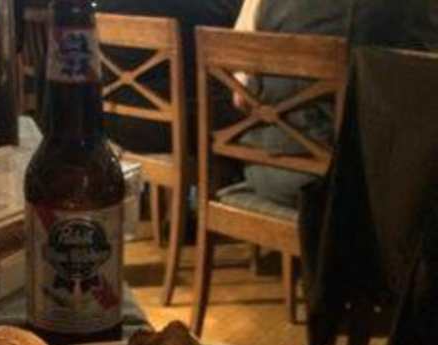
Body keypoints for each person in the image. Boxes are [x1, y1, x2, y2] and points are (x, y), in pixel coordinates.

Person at [233, 0, 437, 207]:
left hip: (279, 173)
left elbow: (241, 98)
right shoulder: (420, 8)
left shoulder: (263, 3)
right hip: (385, 189)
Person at [95, 0, 244, 154]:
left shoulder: (103, 5)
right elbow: (233, 24)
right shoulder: (202, 8)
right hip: (173, 129)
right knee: (252, 102)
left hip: (111, 121)